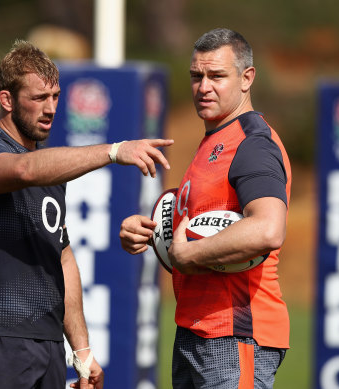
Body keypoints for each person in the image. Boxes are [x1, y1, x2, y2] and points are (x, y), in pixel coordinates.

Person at [0, 40, 173, 389]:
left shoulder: (52, 173)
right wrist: (115, 151)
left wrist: (82, 352)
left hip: (50, 345)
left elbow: (63, 259)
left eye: (55, 96)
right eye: (39, 98)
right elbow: (22, 170)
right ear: (6, 100)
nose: (51, 108)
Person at [119, 28, 292, 388]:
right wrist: (151, 234)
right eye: (196, 76)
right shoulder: (213, 142)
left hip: (236, 332)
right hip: (197, 329)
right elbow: (201, 227)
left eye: (216, 76)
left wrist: (190, 253)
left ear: (247, 79)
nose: (203, 86)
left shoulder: (253, 144)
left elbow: (267, 229)